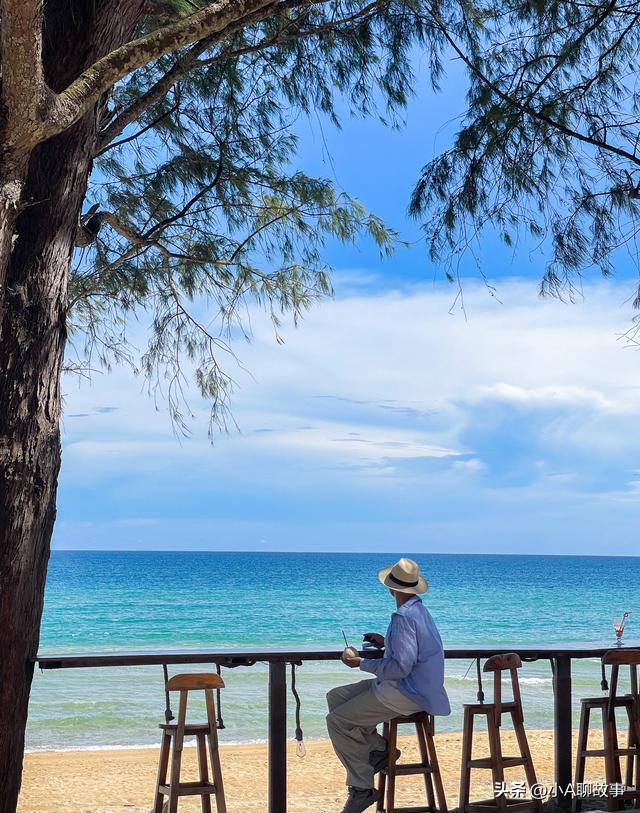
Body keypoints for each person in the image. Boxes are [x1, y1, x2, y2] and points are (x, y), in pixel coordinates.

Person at [326, 557, 450, 813]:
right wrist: (387, 643)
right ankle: (379, 750)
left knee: (337, 721)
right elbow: (412, 653)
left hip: (406, 692)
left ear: (392, 588)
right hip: (417, 688)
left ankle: (362, 789)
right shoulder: (419, 611)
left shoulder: (403, 617)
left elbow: (399, 668)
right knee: (336, 697)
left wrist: (360, 662)